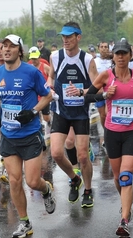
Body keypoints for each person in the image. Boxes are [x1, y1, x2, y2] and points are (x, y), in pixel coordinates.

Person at [84, 41, 133, 238]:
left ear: (131, 55)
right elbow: (88, 97)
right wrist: (105, 94)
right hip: (112, 132)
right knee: (117, 178)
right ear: (113, 57)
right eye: (117, 54)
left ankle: (124, 220)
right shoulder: (106, 76)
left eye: (124, 54)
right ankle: (126, 204)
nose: (121, 57)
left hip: (132, 131)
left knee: (125, 176)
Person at [0, 34, 56, 238]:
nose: (6, 50)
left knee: (33, 182)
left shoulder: (31, 72)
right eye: (4, 46)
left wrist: (33, 111)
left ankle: (46, 190)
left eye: (11, 46)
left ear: (20, 50)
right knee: (15, 181)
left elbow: (48, 95)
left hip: (29, 134)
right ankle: (25, 222)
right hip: (9, 136)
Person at [48, 21, 98, 208]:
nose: (65, 40)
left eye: (69, 36)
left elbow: (96, 86)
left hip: (80, 113)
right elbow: (51, 76)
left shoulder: (87, 60)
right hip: (61, 111)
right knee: (56, 153)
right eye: (63, 36)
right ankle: (75, 179)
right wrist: (50, 86)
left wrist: (81, 92)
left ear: (78, 37)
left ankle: (88, 190)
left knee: (83, 157)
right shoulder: (56, 56)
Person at [27, 46, 51, 124]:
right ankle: (40, 127)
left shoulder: (45, 67)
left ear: (39, 57)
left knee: (46, 117)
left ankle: (50, 121)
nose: (33, 60)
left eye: (35, 58)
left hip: (44, 95)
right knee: (35, 113)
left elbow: (52, 76)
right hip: (33, 95)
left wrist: (50, 86)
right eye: (32, 59)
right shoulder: (29, 67)